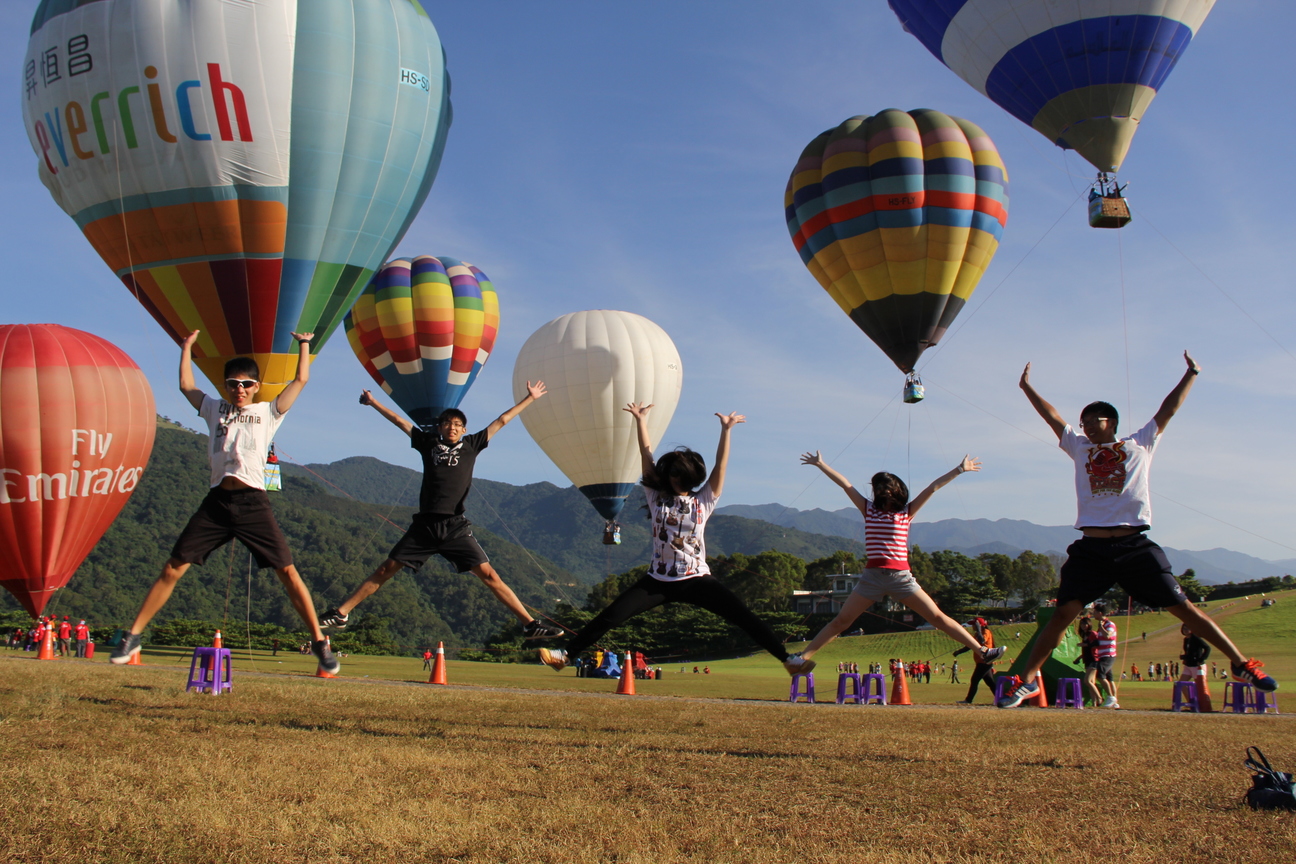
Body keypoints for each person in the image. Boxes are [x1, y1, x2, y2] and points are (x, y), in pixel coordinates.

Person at [999, 354, 1278, 707]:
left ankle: (1240, 664)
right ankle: (1026, 682)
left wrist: (1191, 374)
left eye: (1094, 420)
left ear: (1111, 421)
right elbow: (1052, 417)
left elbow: (1168, 410)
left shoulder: (1139, 443)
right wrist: (1026, 388)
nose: (1087, 425)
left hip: (1134, 546)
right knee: (1062, 615)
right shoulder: (1079, 447)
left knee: (1184, 608)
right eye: (1083, 421)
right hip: (1091, 548)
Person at [110, 330, 339, 675]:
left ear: (257, 386)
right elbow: (186, 386)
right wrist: (186, 348)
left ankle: (320, 642)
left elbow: (300, 380)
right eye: (233, 384)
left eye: (246, 384)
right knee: (173, 567)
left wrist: (304, 344)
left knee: (287, 572)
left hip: (253, 502)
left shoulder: (269, 411)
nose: (239, 389)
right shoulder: (214, 408)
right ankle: (133, 636)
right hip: (217, 502)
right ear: (225, 386)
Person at [540, 405, 797, 673]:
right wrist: (641, 421)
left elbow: (721, 465)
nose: (672, 477)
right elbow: (646, 454)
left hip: (696, 578)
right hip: (657, 580)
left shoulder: (704, 500)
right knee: (611, 616)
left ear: (689, 476)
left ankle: (788, 660)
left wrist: (726, 430)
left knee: (743, 616)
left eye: (677, 473)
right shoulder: (656, 497)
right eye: (671, 472)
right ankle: (565, 656)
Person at [317, 385, 561, 640]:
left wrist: (530, 398)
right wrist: (373, 402)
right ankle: (341, 614)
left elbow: (502, 420)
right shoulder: (428, 443)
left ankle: (530, 625)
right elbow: (400, 421)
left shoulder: (472, 444)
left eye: (457, 424)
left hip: (455, 527)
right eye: (446, 423)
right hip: (424, 526)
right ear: (439, 428)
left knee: (489, 575)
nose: (451, 428)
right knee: (385, 569)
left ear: (464, 429)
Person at [790, 453, 1004, 678]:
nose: (882, 490)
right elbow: (846, 485)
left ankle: (983, 651)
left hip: (901, 577)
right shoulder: (868, 509)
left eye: (886, 486)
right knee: (842, 621)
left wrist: (959, 469)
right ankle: (801, 659)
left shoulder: (906, 512)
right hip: (871, 577)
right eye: (878, 487)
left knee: (937, 617)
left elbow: (932, 488)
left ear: (897, 490)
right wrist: (821, 464)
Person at [956, 618, 1001, 704]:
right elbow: (970, 645)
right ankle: (1000, 699)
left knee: (974, 680)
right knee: (990, 682)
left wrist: (979, 630)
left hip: (985, 661)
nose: (973, 626)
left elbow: (982, 640)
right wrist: (959, 652)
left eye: (974, 625)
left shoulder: (986, 632)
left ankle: (968, 700)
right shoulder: (977, 634)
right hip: (982, 662)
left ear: (980, 625)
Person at [1093, 606, 1120, 708]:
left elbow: (1108, 635)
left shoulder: (1109, 624)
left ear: (1100, 613)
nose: (1093, 614)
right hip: (1102, 654)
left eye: (1095, 612)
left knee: (1100, 675)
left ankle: (1110, 697)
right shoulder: (1103, 625)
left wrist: (1101, 627)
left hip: (1108, 654)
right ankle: (1114, 701)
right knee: (1109, 678)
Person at [1075, 616, 1103, 707]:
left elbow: (1097, 644)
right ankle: (1094, 703)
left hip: (1093, 659)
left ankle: (1099, 697)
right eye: (1082, 624)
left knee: (1087, 681)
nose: (1083, 626)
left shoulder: (1092, 633)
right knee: (1091, 682)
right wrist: (1078, 658)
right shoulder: (1084, 635)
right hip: (1087, 660)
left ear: (1089, 624)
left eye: (1085, 624)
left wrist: (1085, 644)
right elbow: (1086, 651)